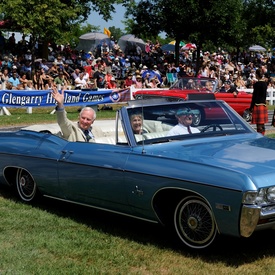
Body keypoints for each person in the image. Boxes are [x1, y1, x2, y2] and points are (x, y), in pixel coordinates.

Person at [249, 69, 268, 135]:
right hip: (263, 105)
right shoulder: (265, 84)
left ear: (257, 75)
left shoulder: (257, 84)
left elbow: (254, 97)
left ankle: (260, 138)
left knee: (258, 125)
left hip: (257, 105)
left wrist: (251, 107)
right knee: (262, 124)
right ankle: (263, 136)